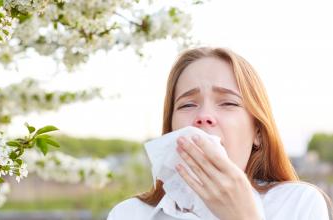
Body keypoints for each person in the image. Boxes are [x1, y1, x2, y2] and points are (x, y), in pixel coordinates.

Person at [107, 47, 333, 220]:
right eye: (187, 105)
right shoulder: (129, 214)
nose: (204, 116)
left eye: (227, 103)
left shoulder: (297, 204)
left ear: (258, 132)